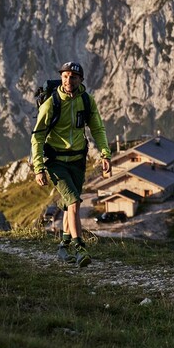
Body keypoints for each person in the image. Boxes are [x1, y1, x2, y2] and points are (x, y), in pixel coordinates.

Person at [31, 61, 111, 267]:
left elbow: (98, 129)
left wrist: (105, 154)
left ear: (81, 80)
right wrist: (39, 168)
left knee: (68, 205)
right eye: (65, 76)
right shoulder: (52, 103)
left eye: (73, 77)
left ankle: (63, 246)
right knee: (74, 202)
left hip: (78, 160)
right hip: (56, 162)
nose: (68, 80)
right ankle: (79, 247)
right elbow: (37, 137)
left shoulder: (86, 101)